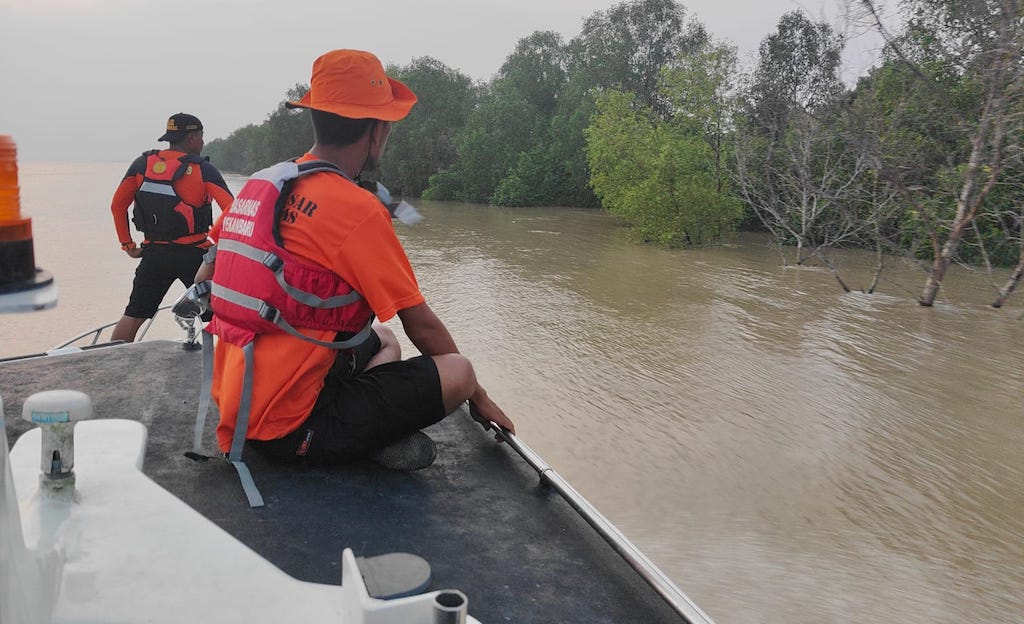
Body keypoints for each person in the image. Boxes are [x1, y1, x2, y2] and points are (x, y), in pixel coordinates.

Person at [200, 49, 515, 473]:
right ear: (378, 131)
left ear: (316, 117)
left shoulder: (262, 185)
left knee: (381, 338)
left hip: (238, 402)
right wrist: (479, 397)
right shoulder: (357, 209)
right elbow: (420, 322)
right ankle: (359, 438)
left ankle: (362, 427)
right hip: (290, 431)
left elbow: (208, 269)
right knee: (459, 372)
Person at [109, 113, 234, 343]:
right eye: (201, 137)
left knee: (133, 315)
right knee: (221, 315)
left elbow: (117, 206)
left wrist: (127, 244)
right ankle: (229, 370)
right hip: (196, 256)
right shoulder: (203, 169)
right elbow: (232, 210)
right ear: (192, 137)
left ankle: (107, 364)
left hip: (153, 254)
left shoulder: (142, 164)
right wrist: (217, 247)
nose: (203, 142)